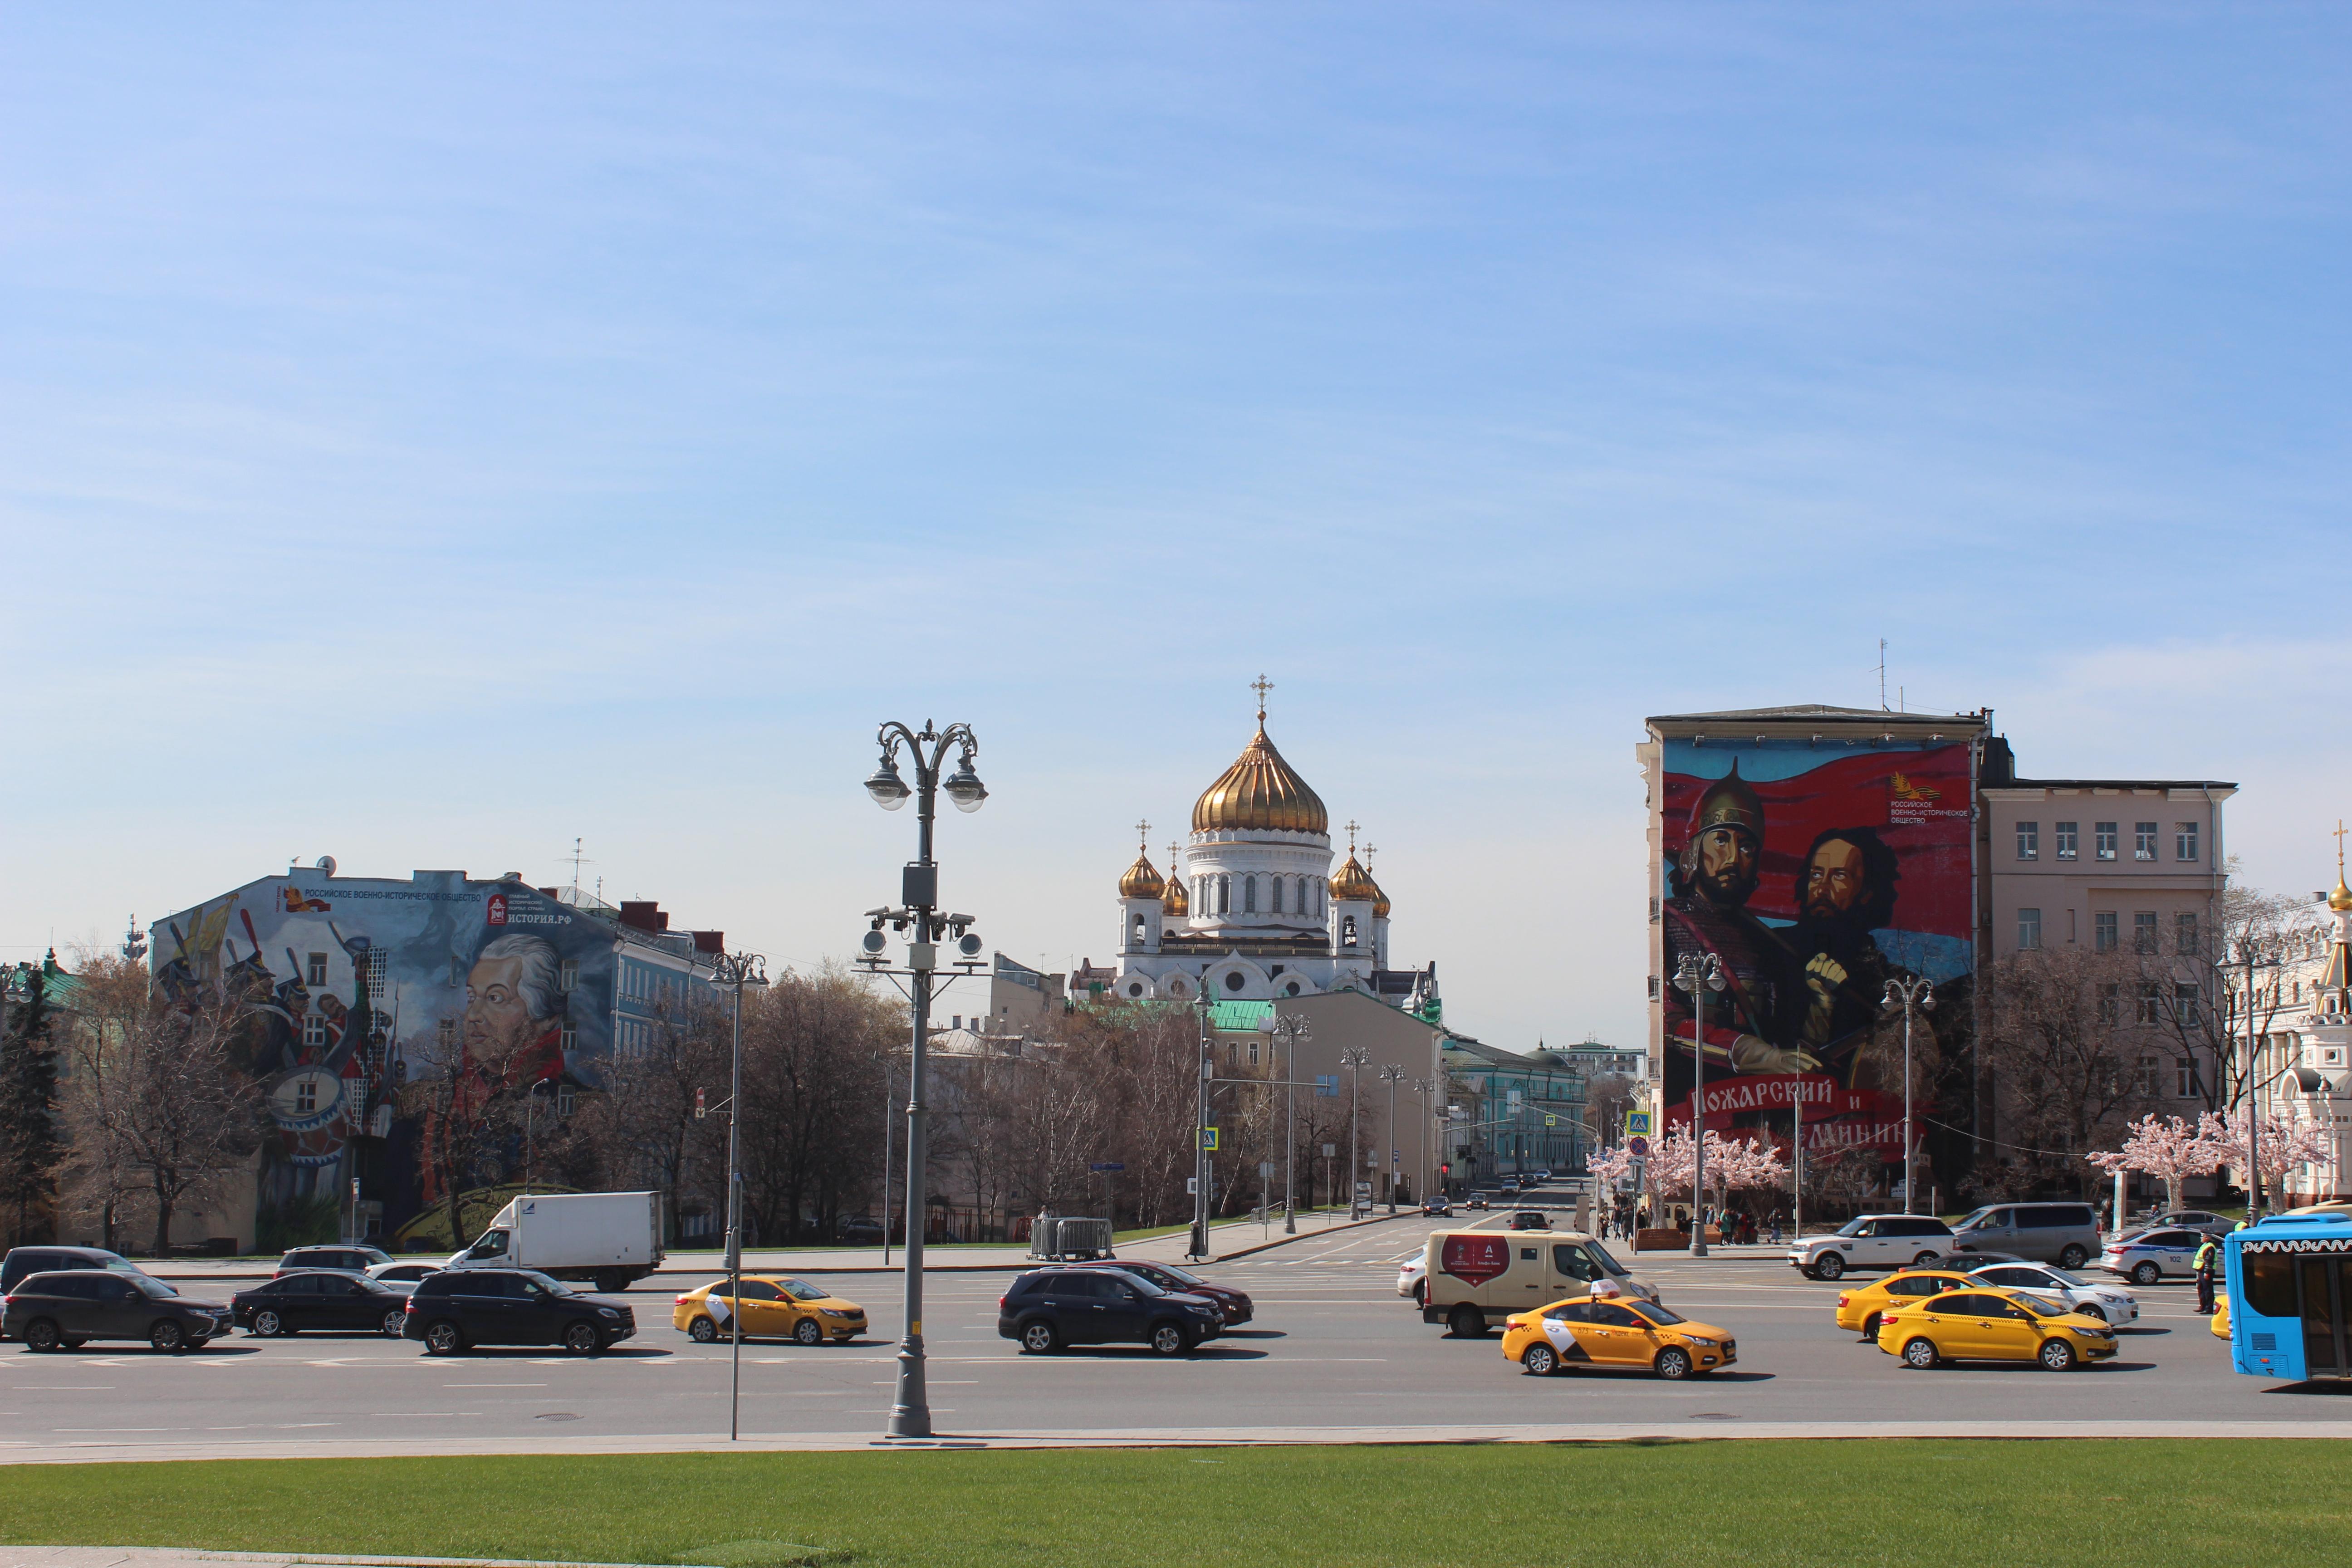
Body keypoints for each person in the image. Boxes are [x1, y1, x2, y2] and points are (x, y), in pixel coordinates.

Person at [1659, 763, 1813, 1087]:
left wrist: (1822, 1008)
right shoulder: (1670, 922)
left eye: (1746, 847)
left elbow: (1788, 1032)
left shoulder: (1766, 941)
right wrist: (1754, 1055)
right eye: (1720, 841)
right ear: (1695, 851)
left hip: (1771, 1097)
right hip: (1700, 1091)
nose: (1732, 858)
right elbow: (1668, 1024)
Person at [2194, 1233, 2220, 1314]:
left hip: (2206, 1271)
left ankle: (2209, 1308)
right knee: (2201, 1289)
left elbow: (2209, 1261)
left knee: (2207, 1290)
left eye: (2202, 1236)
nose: (2201, 1238)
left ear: (2207, 1238)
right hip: (2201, 1270)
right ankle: (2203, 1306)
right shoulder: (2205, 1245)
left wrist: (2207, 1272)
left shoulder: (2210, 1247)